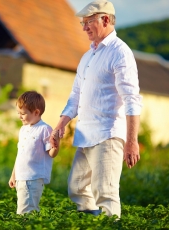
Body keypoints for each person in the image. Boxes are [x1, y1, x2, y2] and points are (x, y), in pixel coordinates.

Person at [50, 0, 143, 218]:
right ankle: (90, 223)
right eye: (83, 23)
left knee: (106, 193)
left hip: (108, 134)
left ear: (106, 19)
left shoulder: (120, 53)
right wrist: (60, 125)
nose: (84, 28)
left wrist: (132, 141)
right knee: (77, 188)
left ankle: (110, 223)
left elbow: (131, 99)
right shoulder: (87, 57)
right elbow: (75, 97)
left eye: (88, 22)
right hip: (86, 134)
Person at [9, 91, 60, 214]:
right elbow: (20, 154)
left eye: (23, 113)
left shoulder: (44, 129)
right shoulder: (23, 130)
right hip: (21, 177)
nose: (20, 116)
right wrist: (13, 175)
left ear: (36, 112)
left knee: (26, 211)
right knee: (23, 209)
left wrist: (56, 142)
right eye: (18, 113)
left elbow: (51, 154)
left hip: (33, 178)